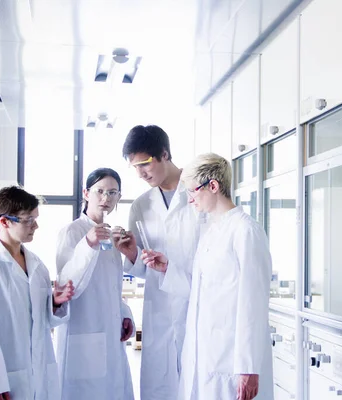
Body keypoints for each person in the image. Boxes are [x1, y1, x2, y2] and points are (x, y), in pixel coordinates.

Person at [142, 153, 274, 400]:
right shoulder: (211, 232)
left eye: (192, 192)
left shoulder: (245, 231)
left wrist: (247, 367)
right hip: (204, 356)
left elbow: (253, 303)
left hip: (231, 361)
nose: (189, 200)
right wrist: (167, 268)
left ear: (213, 186)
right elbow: (199, 291)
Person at [0, 186, 74, 400]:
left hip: (38, 373)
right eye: (28, 220)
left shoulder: (37, 266)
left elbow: (41, 322)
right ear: (4, 222)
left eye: (35, 219)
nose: (35, 226)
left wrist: (54, 304)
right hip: (4, 380)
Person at [114, 125, 204, 400]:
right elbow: (143, 268)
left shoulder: (200, 192)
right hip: (160, 309)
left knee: (198, 384)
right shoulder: (141, 205)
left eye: (144, 164)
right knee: (161, 387)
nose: (140, 174)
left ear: (164, 154)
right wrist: (131, 253)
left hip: (197, 302)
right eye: (135, 168)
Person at [55, 168, 135, 400]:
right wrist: (88, 245)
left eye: (112, 192)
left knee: (112, 390)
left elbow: (111, 286)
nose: (106, 198)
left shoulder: (111, 235)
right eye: (100, 191)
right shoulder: (71, 232)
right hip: (83, 329)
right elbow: (66, 285)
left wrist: (124, 313)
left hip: (110, 331)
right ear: (86, 193)